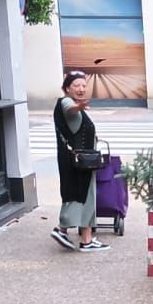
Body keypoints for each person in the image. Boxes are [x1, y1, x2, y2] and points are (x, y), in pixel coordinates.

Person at [52, 70, 109, 252]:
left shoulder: (71, 102)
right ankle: (63, 229)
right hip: (77, 161)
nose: (81, 89)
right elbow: (70, 108)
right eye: (76, 85)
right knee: (79, 195)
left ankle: (86, 239)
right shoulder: (65, 101)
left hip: (81, 160)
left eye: (84, 85)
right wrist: (79, 107)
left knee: (85, 196)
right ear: (67, 88)